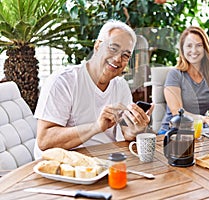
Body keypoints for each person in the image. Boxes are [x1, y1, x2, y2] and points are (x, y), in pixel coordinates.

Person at [34, 20, 153, 158]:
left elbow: (127, 132)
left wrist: (136, 129)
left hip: (105, 161)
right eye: (113, 48)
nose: (117, 59)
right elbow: (44, 141)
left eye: (125, 55)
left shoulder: (121, 86)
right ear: (97, 46)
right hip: (65, 166)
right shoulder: (63, 81)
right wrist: (96, 127)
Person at [158, 26, 209, 134]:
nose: (194, 50)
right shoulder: (175, 75)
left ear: (205, 48)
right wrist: (205, 119)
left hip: (199, 133)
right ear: (182, 49)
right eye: (189, 46)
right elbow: (177, 113)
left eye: (199, 45)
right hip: (170, 133)